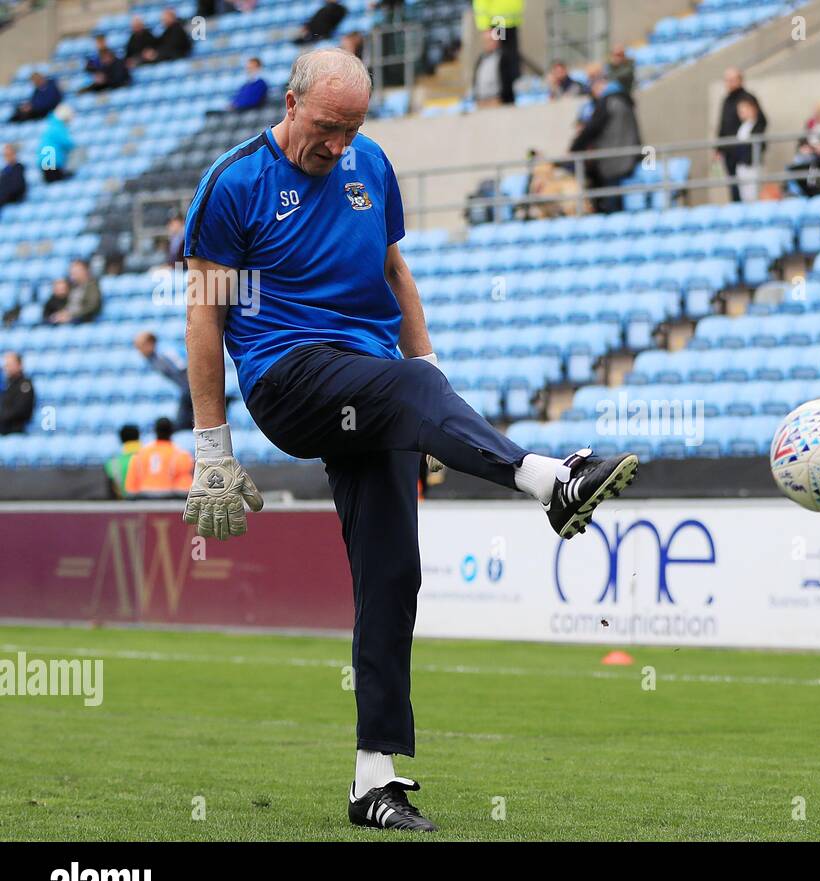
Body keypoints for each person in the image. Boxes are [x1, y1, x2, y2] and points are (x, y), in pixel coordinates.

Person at [182, 48, 638, 831]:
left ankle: (373, 781)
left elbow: (396, 271)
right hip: (289, 379)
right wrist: (212, 448)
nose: (339, 144)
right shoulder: (234, 184)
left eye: (354, 127)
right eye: (328, 127)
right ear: (291, 104)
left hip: (378, 390)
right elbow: (204, 313)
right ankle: (548, 482)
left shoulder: (370, 165)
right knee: (412, 387)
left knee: (393, 581)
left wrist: (431, 390)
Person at [569, 70, 641, 213]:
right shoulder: (624, 100)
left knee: (612, 205)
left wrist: (574, 148)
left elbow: (591, 129)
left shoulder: (607, 102)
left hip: (612, 161)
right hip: (629, 159)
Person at [715, 68, 766, 203]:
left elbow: (761, 123)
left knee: (749, 190)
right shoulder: (726, 100)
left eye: (733, 80)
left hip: (744, 154)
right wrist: (718, 148)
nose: (729, 83)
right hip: (729, 152)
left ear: (740, 80)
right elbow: (722, 125)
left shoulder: (748, 98)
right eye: (727, 80)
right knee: (734, 187)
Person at [134, 330, 194, 428]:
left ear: (149, 343)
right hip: (185, 389)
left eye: (140, 347)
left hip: (190, 388)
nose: (139, 352)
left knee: (182, 422)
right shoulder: (152, 358)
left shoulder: (166, 353)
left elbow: (186, 368)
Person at [125, 417, 194, 498]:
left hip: (143, 504)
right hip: (169, 505)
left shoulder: (139, 455)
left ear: (155, 431)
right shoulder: (182, 456)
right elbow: (184, 490)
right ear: (172, 431)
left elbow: (130, 490)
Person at [471, 29, 518, 106]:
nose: (488, 44)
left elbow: (509, 80)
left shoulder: (503, 57)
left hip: (497, 100)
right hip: (481, 101)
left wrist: (504, 98)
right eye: (486, 41)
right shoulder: (481, 58)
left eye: (491, 40)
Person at [48, 259, 100, 324]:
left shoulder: (92, 286)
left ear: (85, 270)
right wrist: (57, 295)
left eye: (76, 271)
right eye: (72, 271)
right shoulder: (70, 286)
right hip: (66, 319)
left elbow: (92, 306)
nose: (73, 273)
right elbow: (53, 305)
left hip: (82, 321)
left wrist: (72, 315)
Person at [732, 97, 763, 202]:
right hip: (741, 164)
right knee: (744, 194)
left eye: (744, 109)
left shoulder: (758, 125)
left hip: (752, 165)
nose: (741, 112)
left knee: (753, 193)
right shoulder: (742, 126)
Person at [36, 105, 74, 182]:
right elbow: (67, 143)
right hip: (53, 161)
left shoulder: (50, 126)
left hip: (45, 161)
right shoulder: (58, 127)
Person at [0, 350, 34, 434]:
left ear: (19, 365)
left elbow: (21, 410)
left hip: (16, 430)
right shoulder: (7, 385)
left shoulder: (25, 385)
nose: (6, 368)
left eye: (10, 365)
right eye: (6, 365)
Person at [105, 424, 142, 499]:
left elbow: (111, 492)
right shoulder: (148, 460)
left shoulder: (112, 464)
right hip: (148, 506)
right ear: (138, 437)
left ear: (121, 440)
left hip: (122, 507)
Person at [0, 143, 25, 207]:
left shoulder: (18, 168)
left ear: (14, 154)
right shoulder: (5, 170)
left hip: (12, 196)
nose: (7, 157)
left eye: (9, 154)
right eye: (6, 155)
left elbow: (18, 186)